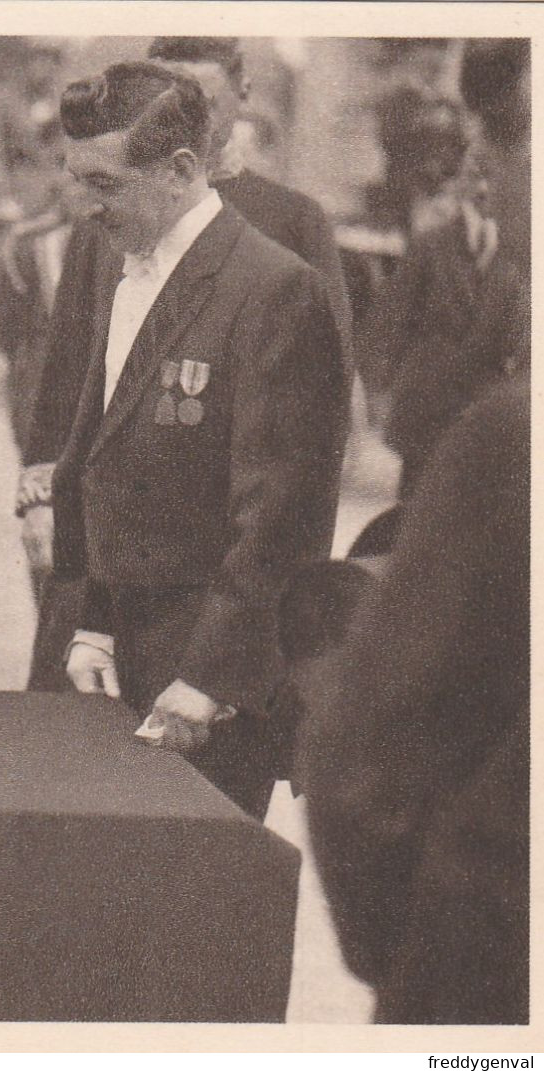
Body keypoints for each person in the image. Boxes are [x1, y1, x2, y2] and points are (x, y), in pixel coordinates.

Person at [298, 37, 530, 1027]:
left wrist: (427, 960)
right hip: (439, 413)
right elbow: (389, 322)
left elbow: (362, 772)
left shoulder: (516, 440)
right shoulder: (435, 243)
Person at [51, 62, 349, 818]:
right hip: (121, 649)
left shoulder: (275, 289)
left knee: (197, 916)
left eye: (103, 184)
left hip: (206, 677)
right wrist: (92, 619)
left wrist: (212, 679)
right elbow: (106, 457)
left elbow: (283, 516)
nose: (81, 206)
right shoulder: (121, 264)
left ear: (181, 169)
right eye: (75, 179)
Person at [365, 145, 527, 496]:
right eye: (474, 176)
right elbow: (393, 321)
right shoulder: (430, 245)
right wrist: (379, 389)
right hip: (430, 407)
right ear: (460, 184)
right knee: (411, 512)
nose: (483, 188)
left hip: (489, 412)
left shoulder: (522, 253)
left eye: (492, 178)